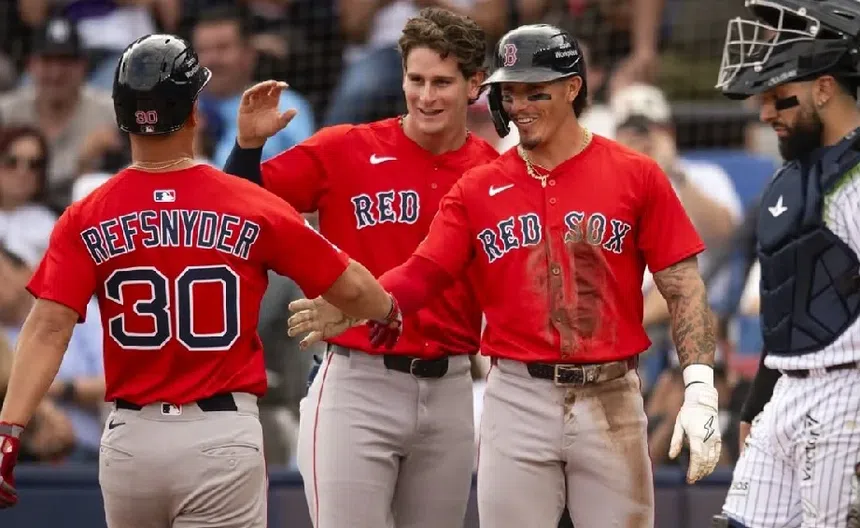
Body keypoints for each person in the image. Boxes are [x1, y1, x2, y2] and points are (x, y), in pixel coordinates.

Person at [287, 24, 723, 528]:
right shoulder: (478, 186)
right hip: (517, 398)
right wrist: (363, 304)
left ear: (572, 88)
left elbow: (683, 285)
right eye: (510, 93)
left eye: (536, 92)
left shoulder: (636, 173)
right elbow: (423, 274)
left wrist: (699, 387)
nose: (519, 107)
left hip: (612, 398)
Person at [0, 33, 401, 525]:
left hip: (131, 441)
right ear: (194, 111)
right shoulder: (249, 203)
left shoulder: (86, 214)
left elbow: (47, 329)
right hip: (219, 435)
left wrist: (10, 428)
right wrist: (389, 311)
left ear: (121, 114)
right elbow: (353, 288)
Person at [223, 7, 498, 527]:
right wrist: (247, 147)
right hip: (358, 382)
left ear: (474, 85)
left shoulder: (492, 171)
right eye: (416, 80)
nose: (426, 96)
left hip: (451, 386)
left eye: (442, 82)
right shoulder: (346, 148)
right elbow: (238, 206)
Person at [710, 0, 860, 526]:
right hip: (788, 390)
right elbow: (790, 299)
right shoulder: (793, 176)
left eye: (778, 97)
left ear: (824, 88)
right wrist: (758, 402)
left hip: (848, 395)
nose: (765, 113)